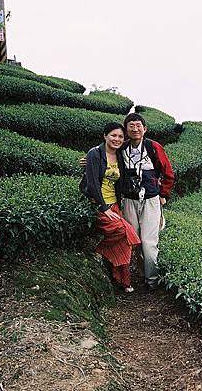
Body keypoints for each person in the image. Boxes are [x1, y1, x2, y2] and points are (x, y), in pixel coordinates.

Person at [80, 122, 141, 292]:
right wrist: (103, 208)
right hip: (100, 205)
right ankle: (100, 250)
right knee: (124, 232)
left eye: (121, 136)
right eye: (113, 135)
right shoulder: (95, 153)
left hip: (115, 204)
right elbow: (92, 184)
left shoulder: (120, 155)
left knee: (125, 241)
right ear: (105, 136)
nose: (117, 139)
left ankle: (124, 280)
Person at [120, 113, 175, 291]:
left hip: (150, 199)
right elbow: (104, 153)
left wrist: (164, 194)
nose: (135, 129)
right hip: (129, 199)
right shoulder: (123, 148)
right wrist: (88, 159)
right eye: (131, 126)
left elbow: (168, 173)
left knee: (148, 241)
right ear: (126, 129)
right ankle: (143, 276)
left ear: (145, 129)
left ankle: (152, 281)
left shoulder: (153, 147)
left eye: (138, 125)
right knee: (134, 239)